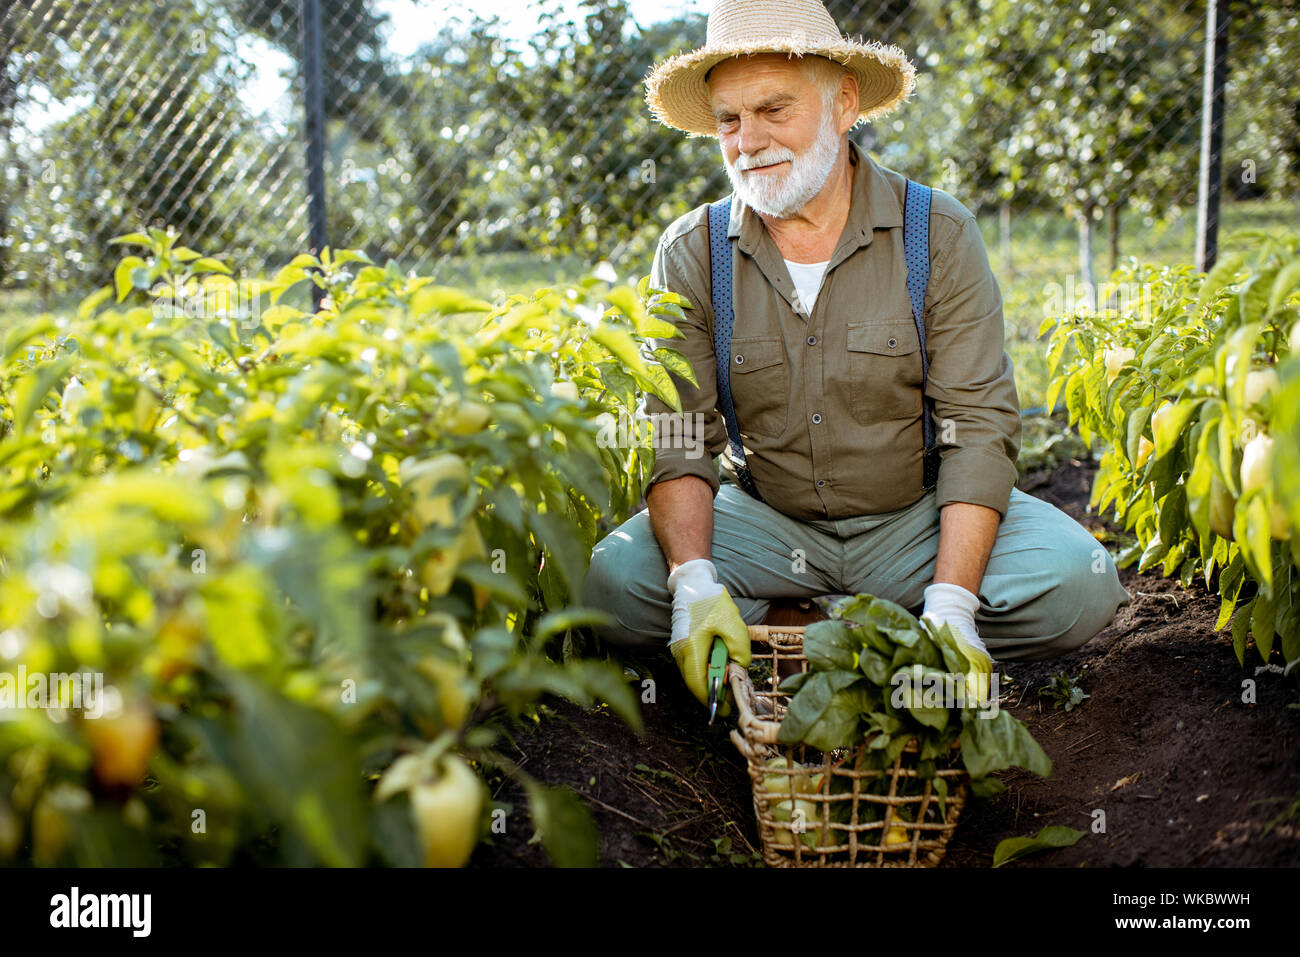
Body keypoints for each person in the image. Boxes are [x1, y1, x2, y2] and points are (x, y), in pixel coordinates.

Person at [581, 0, 1131, 707]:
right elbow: (678, 437)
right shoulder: (693, 252)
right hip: (765, 523)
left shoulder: (937, 232)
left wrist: (956, 598)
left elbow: (978, 426)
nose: (746, 141)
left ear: (843, 104)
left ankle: (813, 638)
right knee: (613, 585)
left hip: (915, 518)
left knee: (1076, 581)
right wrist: (692, 584)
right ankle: (860, 637)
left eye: (773, 109)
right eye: (728, 119)